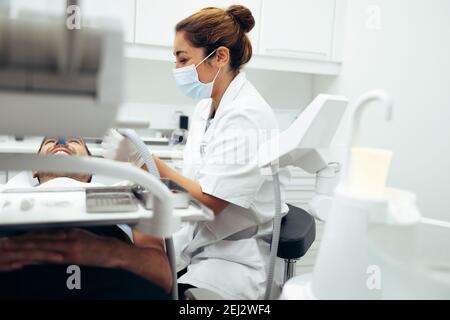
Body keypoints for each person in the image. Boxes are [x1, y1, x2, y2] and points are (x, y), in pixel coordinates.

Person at [101, 5, 288, 300]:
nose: (177, 69)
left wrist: (148, 160)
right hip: (202, 245)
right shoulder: (206, 108)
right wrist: (141, 174)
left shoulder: (247, 116)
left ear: (220, 57)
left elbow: (210, 203)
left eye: (183, 59)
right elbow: (193, 181)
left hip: (236, 260)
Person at [0, 137, 172, 299]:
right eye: (50, 141)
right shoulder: (5, 197)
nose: (61, 142)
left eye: (74, 141)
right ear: (34, 169)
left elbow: (163, 276)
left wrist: (107, 250)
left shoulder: (130, 198)